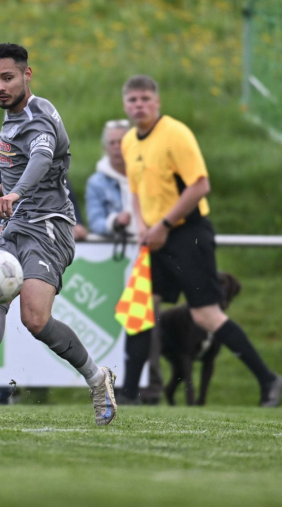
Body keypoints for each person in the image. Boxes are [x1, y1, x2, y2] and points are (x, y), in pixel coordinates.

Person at [0, 43, 118, 426]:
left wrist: (16, 192)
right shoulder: (16, 114)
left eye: (7, 78)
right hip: (20, 222)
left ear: (27, 74)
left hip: (49, 226)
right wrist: (7, 188)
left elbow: (41, 157)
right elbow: (31, 165)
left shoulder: (35, 118)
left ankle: (97, 378)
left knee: (35, 319)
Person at [120, 75, 282, 407]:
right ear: (125, 104)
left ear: (158, 102)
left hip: (187, 234)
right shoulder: (128, 141)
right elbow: (136, 192)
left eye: (145, 99)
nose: (139, 105)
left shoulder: (176, 134)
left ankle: (269, 380)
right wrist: (142, 225)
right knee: (139, 309)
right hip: (155, 237)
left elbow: (200, 186)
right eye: (132, 100)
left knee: (206, 316)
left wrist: (165, 225)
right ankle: (128, 394)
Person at [0, 147, 87, 405]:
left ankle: (96, 377)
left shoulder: (47, 137)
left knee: (36, 320)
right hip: (11, 230)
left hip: (47, 233)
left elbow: (60, 189)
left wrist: (75, 221)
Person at [86, 118, 164, 403]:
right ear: (104, 147)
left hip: (149, 257)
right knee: (115, 325)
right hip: (115, 262)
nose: (118, 148)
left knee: (146, 321)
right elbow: (94, 220)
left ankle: (149, 388)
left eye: (123, 141)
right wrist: (114, 221)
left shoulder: (147, 172)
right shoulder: (97, 180)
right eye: (112, 142)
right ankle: (119, 387)